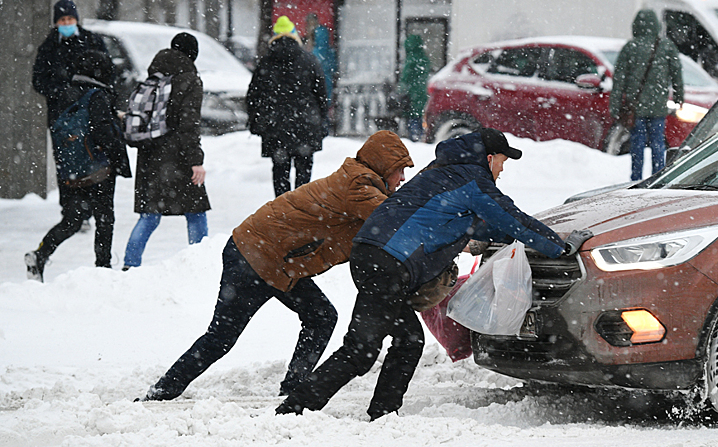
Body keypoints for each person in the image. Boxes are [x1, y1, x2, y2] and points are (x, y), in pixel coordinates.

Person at [276, 128, 592, 421]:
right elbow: (513, 218)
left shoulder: (443, 171)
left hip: (374, 256)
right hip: (388, 265)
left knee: (409, 339)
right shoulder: (473, 180)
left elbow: (469, 220)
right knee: (361, 349)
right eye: (503, 161)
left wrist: (500, 238)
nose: (503, 170)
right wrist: (560, 247)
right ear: (489, 158)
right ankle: (295, 408)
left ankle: (383, 413)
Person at [138, 130, 414, 401]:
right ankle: (161, 393)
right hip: (254, 257)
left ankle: (294, 386)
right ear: (383, 165)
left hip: (278, 262)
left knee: (321, 317)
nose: (402, 178)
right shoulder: (359, 188)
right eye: (399, 170)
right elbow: (399, 222)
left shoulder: (360, 183)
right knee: (220, 338)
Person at [25, 50, 132, 281]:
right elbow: (103, 132)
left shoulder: (63, 94)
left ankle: (40, 254)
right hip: (98, 170)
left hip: (72, 169)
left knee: (72, 221)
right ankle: (102, 269)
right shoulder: (97, 95)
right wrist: (118, 156)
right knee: (105, 219)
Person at [122, 33, 210, 270]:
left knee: (150, 215)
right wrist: (195, 160)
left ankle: (130, 264)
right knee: (196, 210)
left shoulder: (155, 76)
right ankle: (201, 260)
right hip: (177, 156)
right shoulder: (189, 79)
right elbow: (188, 124)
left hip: (151, 154)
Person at [32, 0, 111, 235]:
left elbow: (106, 72)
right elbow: (38, 80)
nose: (66, 23)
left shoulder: (92, 41)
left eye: (70, 19)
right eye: (62, 20)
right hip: (61, 119)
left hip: (88, 115)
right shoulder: (49, 46)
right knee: (66, 164)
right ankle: (71, 212)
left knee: (91, 160)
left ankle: (88, 211)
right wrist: (60, 92)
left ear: (76, 19)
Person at [246, 15, 327, 197]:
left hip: (276, 128)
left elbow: (253, 97)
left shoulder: (265, 63)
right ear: (295, 36)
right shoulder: (310, 61)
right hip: (306, 126)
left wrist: (257, 122)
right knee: (303, 172)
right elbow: (321, 95)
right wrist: (321, 121)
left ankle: (283, 213)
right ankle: (301, 211)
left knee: (280, 171)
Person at [610, 9, 684, 181]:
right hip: (658, 106)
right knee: (658, 143)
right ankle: (658, 177)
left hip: (636, 107)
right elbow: (677, 74)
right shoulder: (666, 46)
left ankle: (636, 178)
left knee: (637, 143)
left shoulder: (631, 47)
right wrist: (679, 97)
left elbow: (619, 80)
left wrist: (615, 105)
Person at [398, 34, 430, 141]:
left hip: (412, 96)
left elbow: (405, 79)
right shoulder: (424, 59)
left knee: (412, 118)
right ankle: (421, 137)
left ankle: (415, 139)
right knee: (420, 117)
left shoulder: (411, 60)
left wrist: (400, 91)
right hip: (423, 94)